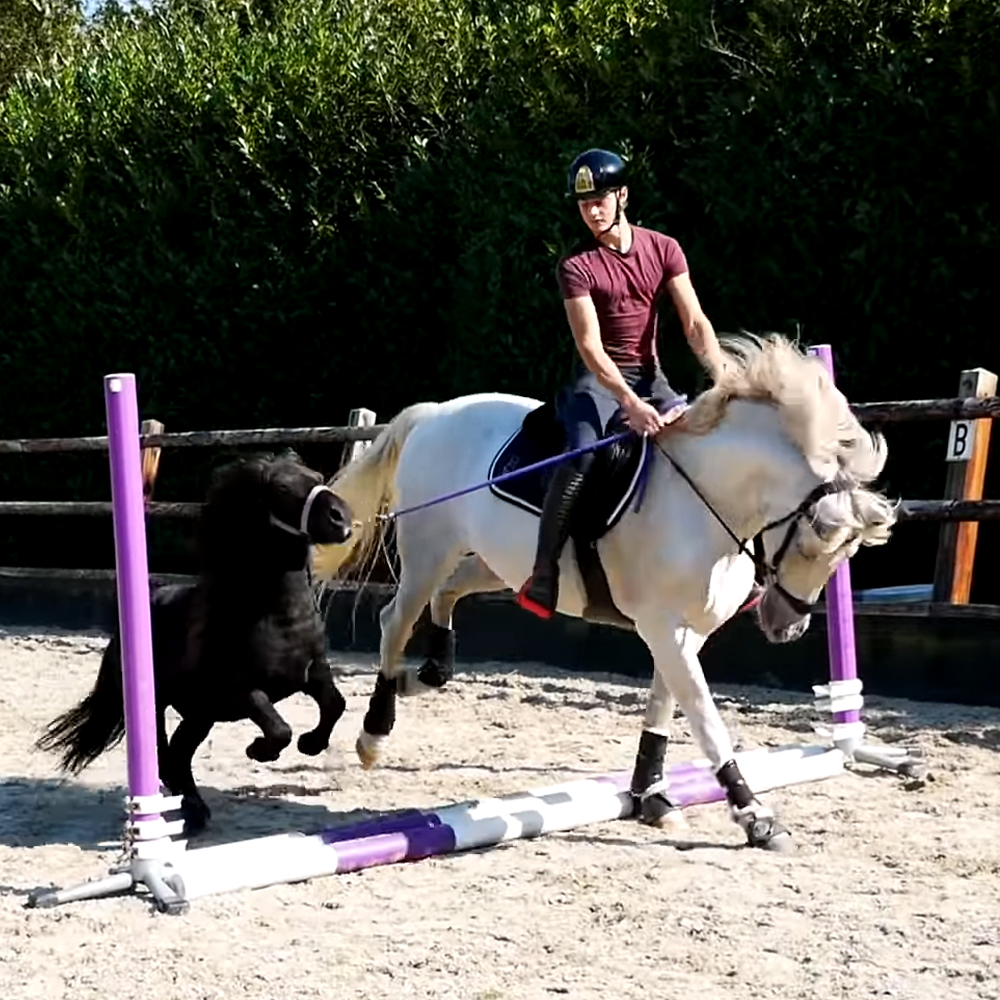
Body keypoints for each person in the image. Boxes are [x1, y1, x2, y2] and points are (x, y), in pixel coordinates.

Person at [515, 147, 742, 620]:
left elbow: (695, 323)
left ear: (622, 195)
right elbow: (591, 347)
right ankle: (544, 573)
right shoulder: (576, 267)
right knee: (582, 456)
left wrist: (723, 375)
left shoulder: (664, 248)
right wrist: (629, 403)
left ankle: (740, 571)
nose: (591, 211)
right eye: (583, 204)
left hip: (651, 375)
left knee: (710, 442)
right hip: (596, 385)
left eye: (599, 199)